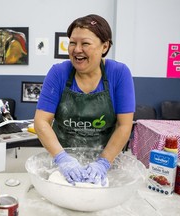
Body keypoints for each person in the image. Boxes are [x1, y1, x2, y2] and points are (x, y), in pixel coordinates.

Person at [34, 14, 135, 186]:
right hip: (62, 163)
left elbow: (124, 125)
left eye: (85, 43)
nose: (76, 49)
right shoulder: (58, 73)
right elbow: (41, 121)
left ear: (105, 46)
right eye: (72, 42)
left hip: (105, 164)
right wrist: (62, 159)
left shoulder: (119, 74)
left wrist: (103, 163)